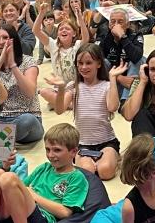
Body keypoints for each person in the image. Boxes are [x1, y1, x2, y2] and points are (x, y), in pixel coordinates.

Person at [52, 44, 124, 180]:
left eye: (88, 63)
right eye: (80, 63)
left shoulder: (106, 86)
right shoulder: (74, 87)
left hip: (106, 141)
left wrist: (113, 79)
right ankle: (92, 161)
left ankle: (112, 158)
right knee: (88, 173)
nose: (84, 67)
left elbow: (113, 107)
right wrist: (61, 88)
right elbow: (59, 109)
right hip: (83, 144)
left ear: (98, 64)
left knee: (106, 171)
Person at [0, 24, 43, 144]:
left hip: (27, 118)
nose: (1, 42)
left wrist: (13, 65)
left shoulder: (28, 61)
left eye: (5, 37)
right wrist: (1, 60)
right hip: (0, 119)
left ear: (13, 40)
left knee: (27, 121)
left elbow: (30, 93)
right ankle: (1, 139)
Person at [34, 2, 86, 110]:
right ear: (57, 34)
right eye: (61, 29)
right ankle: (68, 104)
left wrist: (79, 17)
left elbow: (86, 37)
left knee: (76, 90)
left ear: (74, 34)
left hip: (76, 86)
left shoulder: (77, 46)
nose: (63, 30)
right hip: (59, 87)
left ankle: (61, 104)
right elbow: (36, 30)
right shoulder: (53, 46)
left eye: (67, 29)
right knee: (43, 91)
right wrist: (41, 14)